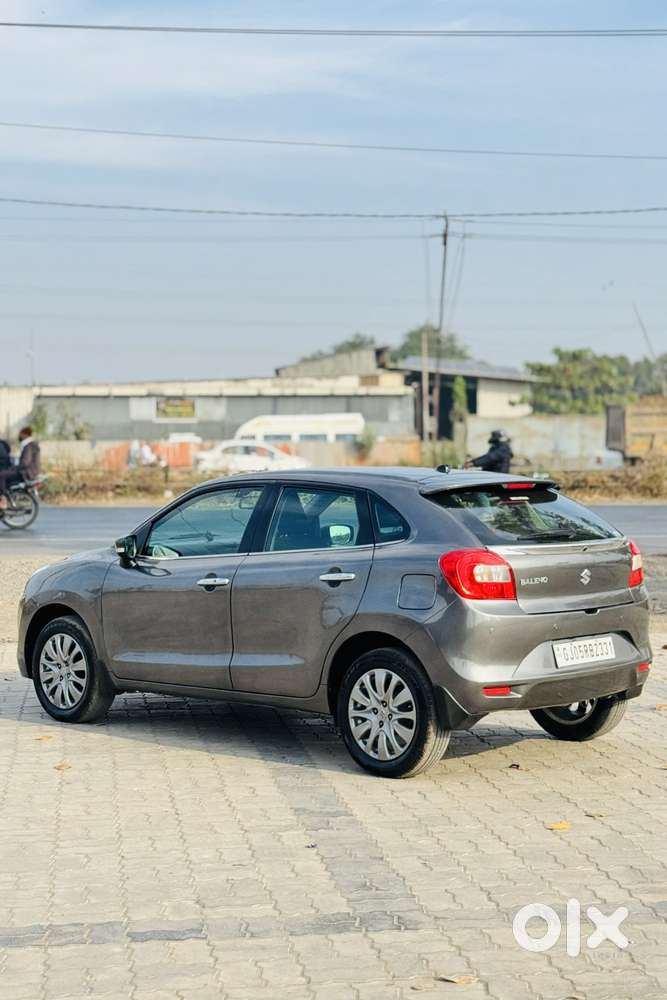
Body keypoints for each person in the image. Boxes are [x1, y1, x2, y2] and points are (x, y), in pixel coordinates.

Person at [0, 426, 41, 507]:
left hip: (27, 473)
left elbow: (25, 463)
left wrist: (13, 468)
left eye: (20, 434)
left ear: (25, 434)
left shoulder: (29, 446)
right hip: (29, 471)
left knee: (1, 475)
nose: (19, 436)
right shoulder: (31, 445)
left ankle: (3, 500)